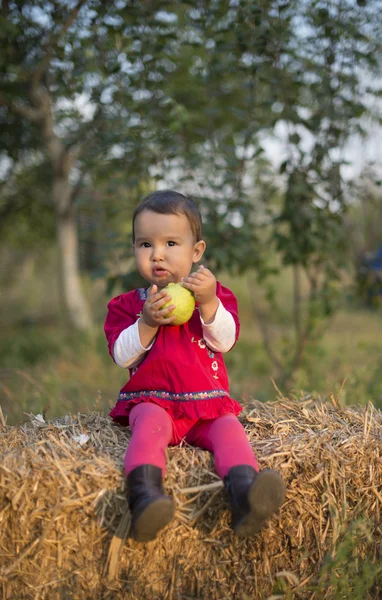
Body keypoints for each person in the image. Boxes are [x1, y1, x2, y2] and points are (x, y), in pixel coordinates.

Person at [104, 190, 285, 543]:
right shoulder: (128, 306)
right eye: (145, 244)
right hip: (153, 404)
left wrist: (210, 303)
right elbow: (121, 355)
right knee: (148, 433)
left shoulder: (212, 296)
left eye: (171, 242)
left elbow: (225, 341)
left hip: (206, 407)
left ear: (196, 252)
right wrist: (146, 323)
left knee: (230, 430)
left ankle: (247, 497)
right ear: (134, 250)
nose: (157, 254)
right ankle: (145, 499)